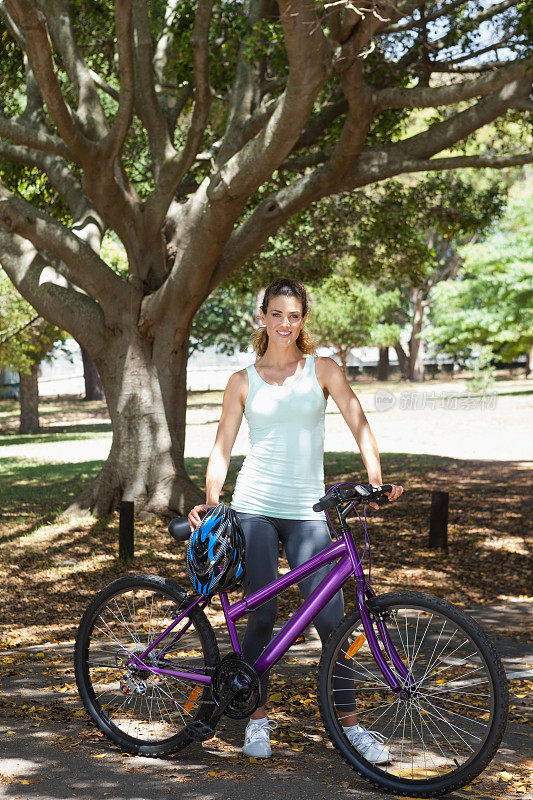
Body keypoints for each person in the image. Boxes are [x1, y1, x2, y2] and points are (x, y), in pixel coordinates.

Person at [188, 278, 403, 760]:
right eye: (277, 314)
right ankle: (255, 718)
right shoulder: (242, 380)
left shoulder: (323, 370)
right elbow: (222, 444)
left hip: (309, 510)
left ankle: (350, 728)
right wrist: (212, 497)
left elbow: (357, 420)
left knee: (334, 623)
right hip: (255, 507)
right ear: (262, 317)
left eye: (295, 315)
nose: (286, 324)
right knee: (262, 613)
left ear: (303, 320)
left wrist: (375, 478)